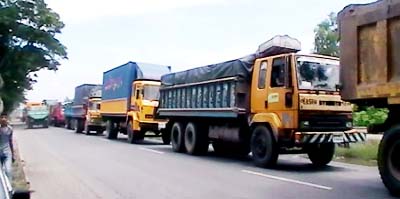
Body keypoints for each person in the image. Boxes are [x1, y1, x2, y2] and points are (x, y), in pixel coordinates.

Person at [0, 113, 14, 180]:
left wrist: (13, 154)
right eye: (2, 117)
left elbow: (10, 141)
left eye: (5, 117)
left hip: (7, 152)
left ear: (7, 119)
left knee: (8, 171)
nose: (3, 119)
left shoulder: (10, 129)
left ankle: (9, 188)